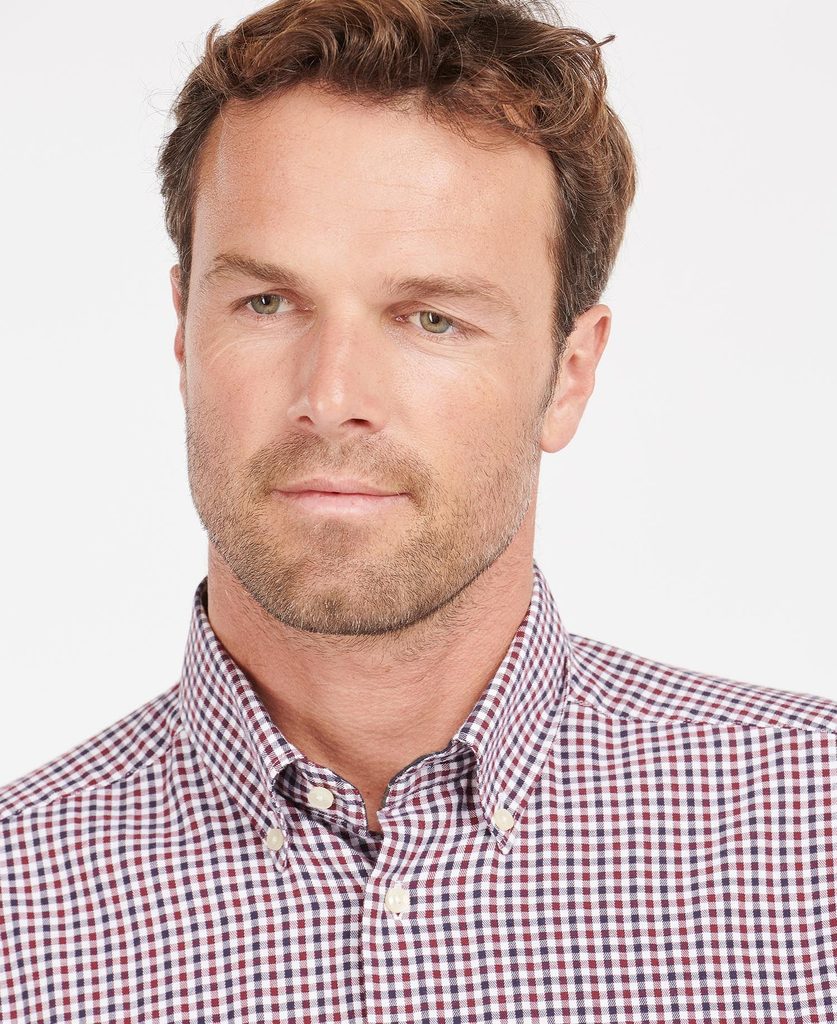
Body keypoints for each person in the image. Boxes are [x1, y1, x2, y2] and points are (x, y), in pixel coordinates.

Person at [2, 0, 834, 1019]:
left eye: (431, 318)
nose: (331, 395)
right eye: (266, 302)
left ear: (569, 375)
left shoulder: (815, 834)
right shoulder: (17, 908)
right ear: (183, 335)